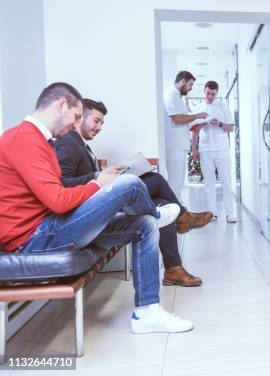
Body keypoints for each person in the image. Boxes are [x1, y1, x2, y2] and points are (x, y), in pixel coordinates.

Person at [0, 82, 194, 334]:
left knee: (143, 226)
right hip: (34, 238)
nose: (75, 124)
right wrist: (98, 184)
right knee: (130, 183)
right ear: (60, 105)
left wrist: (98, 185)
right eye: (76, 116)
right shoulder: (23, 138)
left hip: (49, 228)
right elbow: (58, 200)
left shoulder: (40, 140)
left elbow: (54, 197)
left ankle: (147, 312)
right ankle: (156, 214)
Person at [55, 98, 213, 287]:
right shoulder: (68, 143)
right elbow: (62, 184)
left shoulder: (81, 144)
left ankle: (173, 269)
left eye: (102, 123)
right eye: (96, 121)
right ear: (80, 118)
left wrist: (107, 174)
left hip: (98, 200)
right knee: (155, 180)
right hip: (90, 210)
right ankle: (183, 217)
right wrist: (98, 176)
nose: (99, 127)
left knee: (163, 205)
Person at [190, 80, 237, 223]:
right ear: (203, 92)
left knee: (226, 182)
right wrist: (194, 150)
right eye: (208, 93)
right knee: (209, 184)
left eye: (213, 94)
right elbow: (194, 131)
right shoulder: (198, 108)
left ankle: (230, 214)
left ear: (217, 94)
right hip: (205, 150)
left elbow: (231, 128)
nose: (210, 96)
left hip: (222, 149)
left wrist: (220, 124)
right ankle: (212, 214)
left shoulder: (223, 106)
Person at [164, 71, 208, 202]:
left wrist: (195, 125)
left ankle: (178, 210)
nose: (191, 88)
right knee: (175, 181)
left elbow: (181, 121)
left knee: (178, 181)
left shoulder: (177, 97)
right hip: (173, 145)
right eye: (190, 84)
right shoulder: (170, 95)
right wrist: (197, 116)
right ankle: (175, 214)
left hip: (179, 144)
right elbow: (177, 118)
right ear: (183, 81)